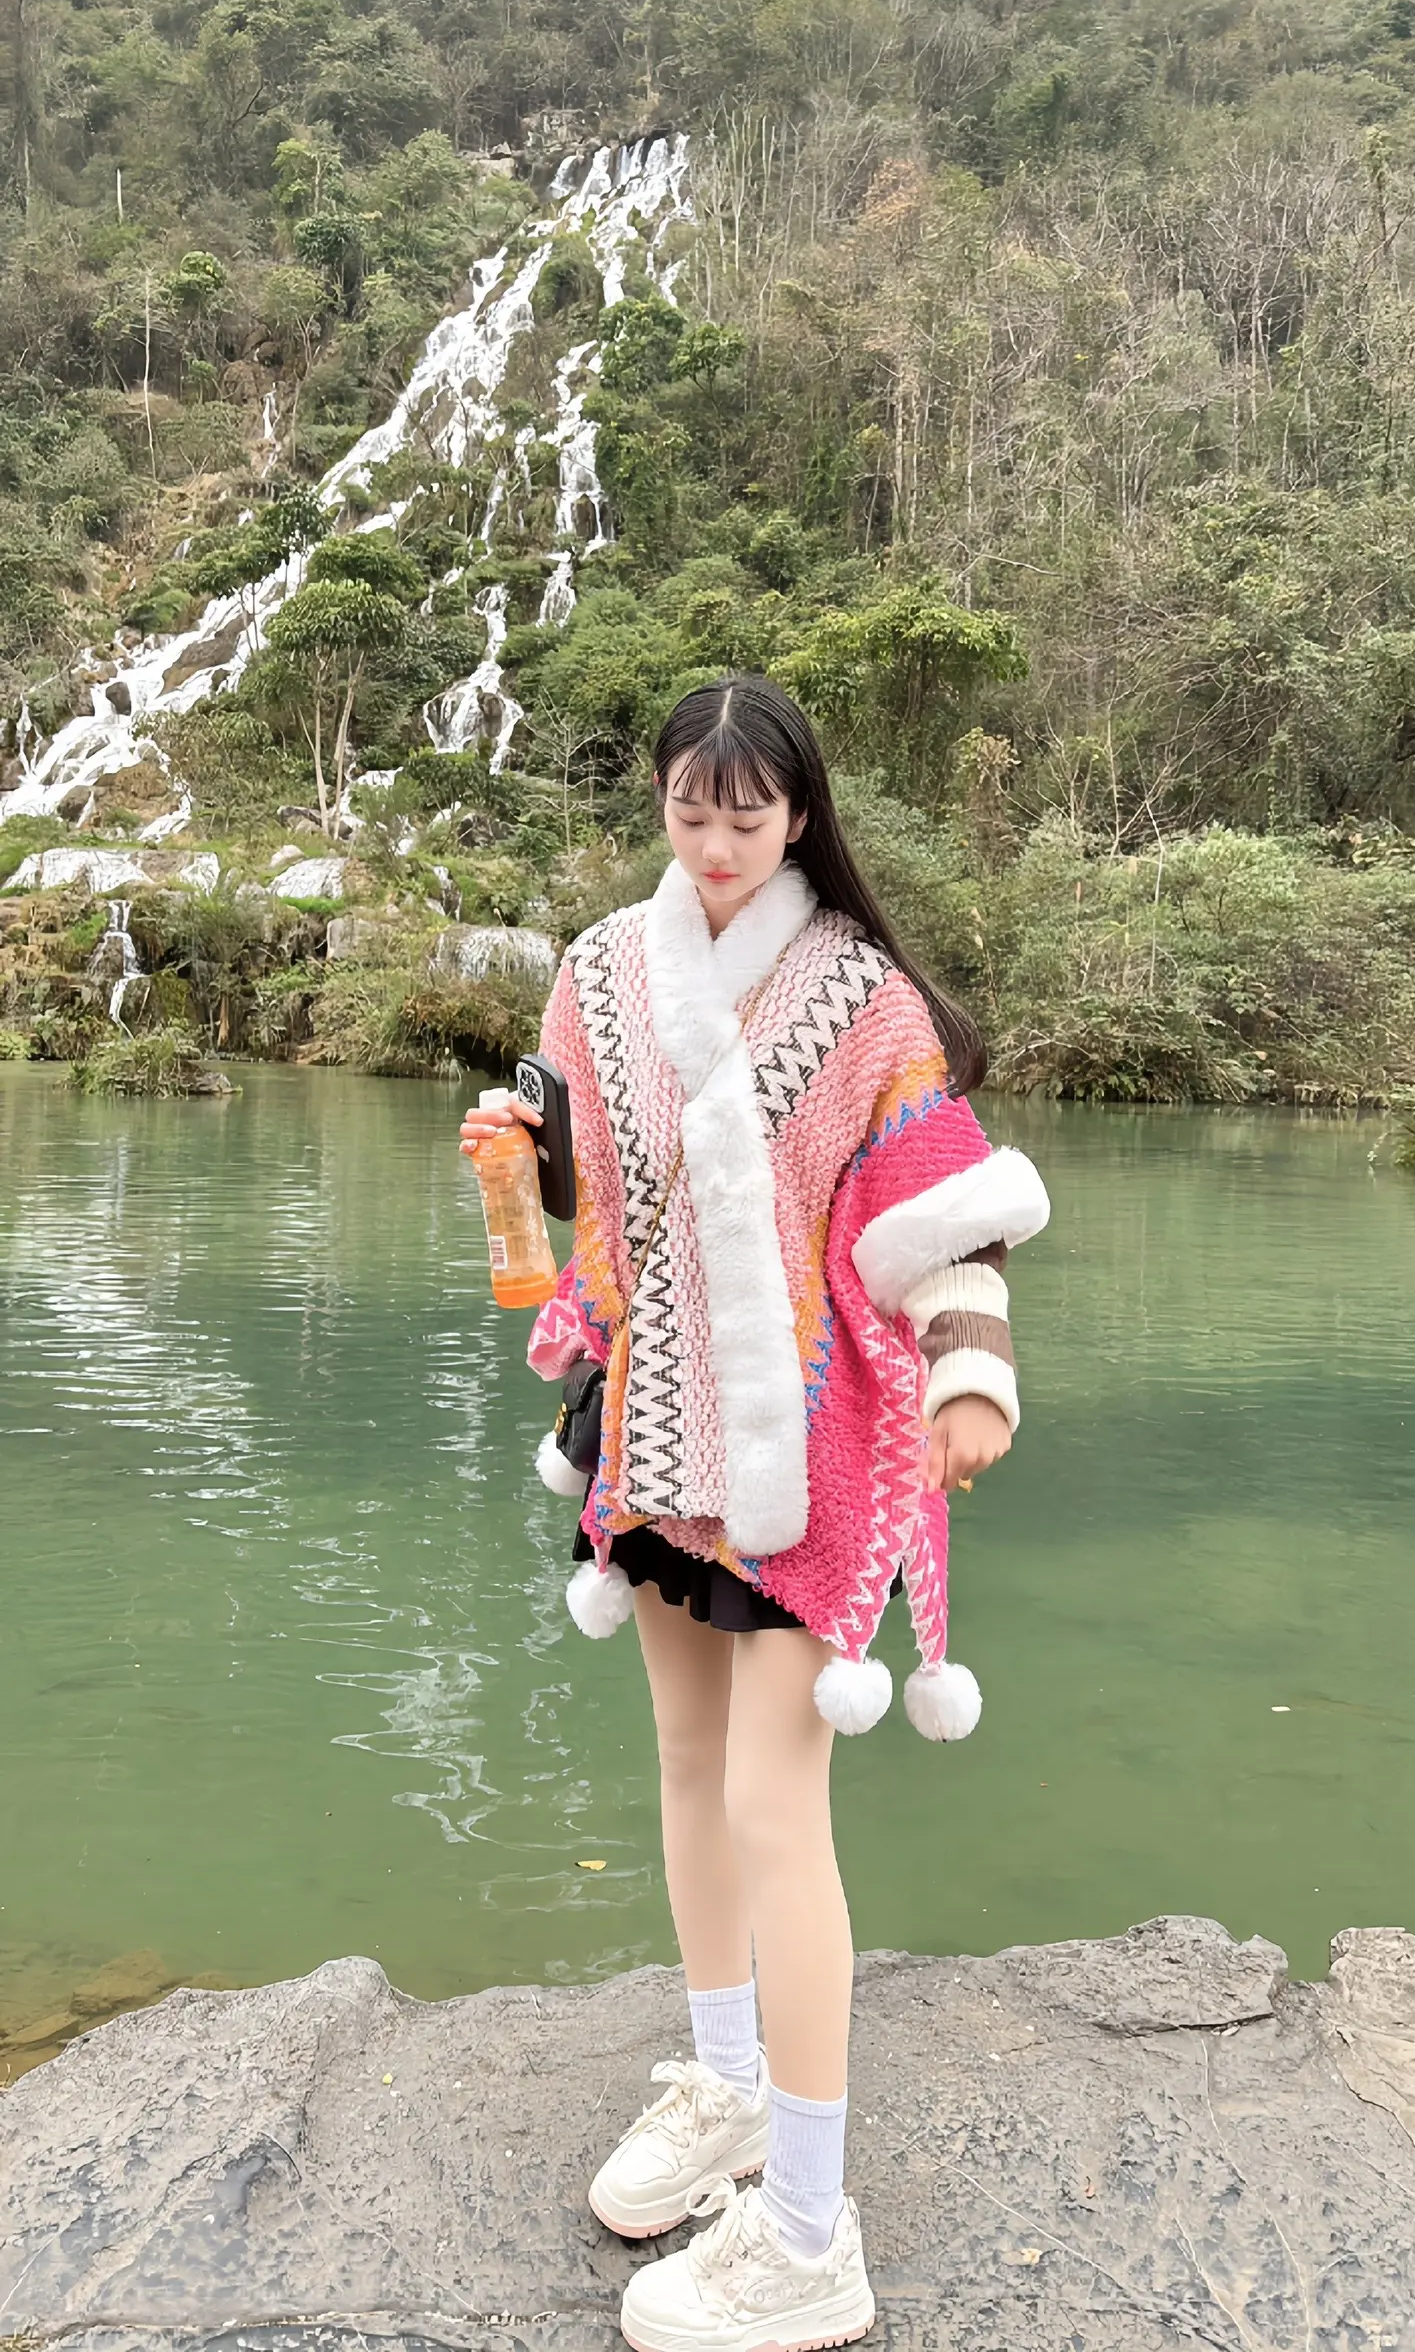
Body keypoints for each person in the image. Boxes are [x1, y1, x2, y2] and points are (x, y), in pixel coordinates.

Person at [460, 677, 1049, 2352]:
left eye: (747, 816)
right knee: (684, 1763)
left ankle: (806, 2232)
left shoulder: (860, 996)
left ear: (799, 819)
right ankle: (726, 2086)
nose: (715, 845)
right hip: (655, 1426)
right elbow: (593, 1185)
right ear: (659, 805)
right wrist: (516, 1152)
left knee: (776, 1808)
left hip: (810, 1442)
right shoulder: (599, 970)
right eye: (689, 811)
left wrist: (971, 1374)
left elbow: (940, 1203)